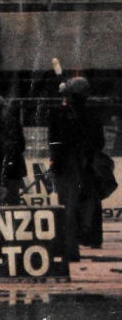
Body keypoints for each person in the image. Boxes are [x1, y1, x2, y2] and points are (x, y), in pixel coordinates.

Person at [47, 77, 105, 259]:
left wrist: (55, 163)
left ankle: (70, 249)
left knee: (68, 208)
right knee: (90, 202)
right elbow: (100, 143)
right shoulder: (93, 115)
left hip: (67, 166)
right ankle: (91, 237)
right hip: (87, 165)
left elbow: (54, 143)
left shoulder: (59, 115)